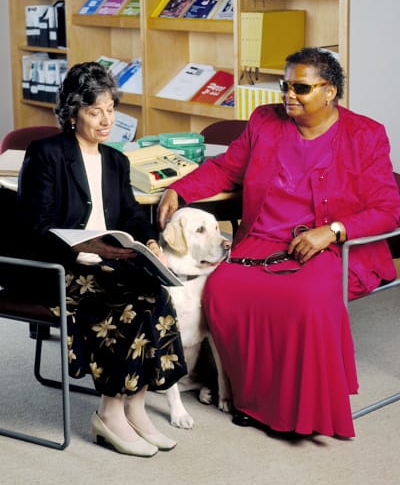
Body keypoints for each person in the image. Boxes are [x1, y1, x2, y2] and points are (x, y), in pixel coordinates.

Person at [158, 47, 400, 438]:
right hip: (262, 239)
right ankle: (245, 397)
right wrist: (180, 190)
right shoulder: (264, 122)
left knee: (304, 299)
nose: (288, 94)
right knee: (222, 289)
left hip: (331, 246)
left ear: (330, 91)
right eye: (285, 85)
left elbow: (388, 209)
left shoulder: (366, 135)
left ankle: (299, 412)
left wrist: (332, 230)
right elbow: (225, 168)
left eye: (301, 87)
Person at [16, 61, 187, 457]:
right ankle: (110, 413)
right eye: (95, 111)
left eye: (111, 109)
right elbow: (33, 228)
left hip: (107, 263)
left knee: (154, 295)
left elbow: (129, 215)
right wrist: (84, 247)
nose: (106, 119)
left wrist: (148, 240)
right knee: (123, 303)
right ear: (73, 113)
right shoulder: (46, 154)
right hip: (59, 268)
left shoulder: (115, 160)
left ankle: (137, 407)